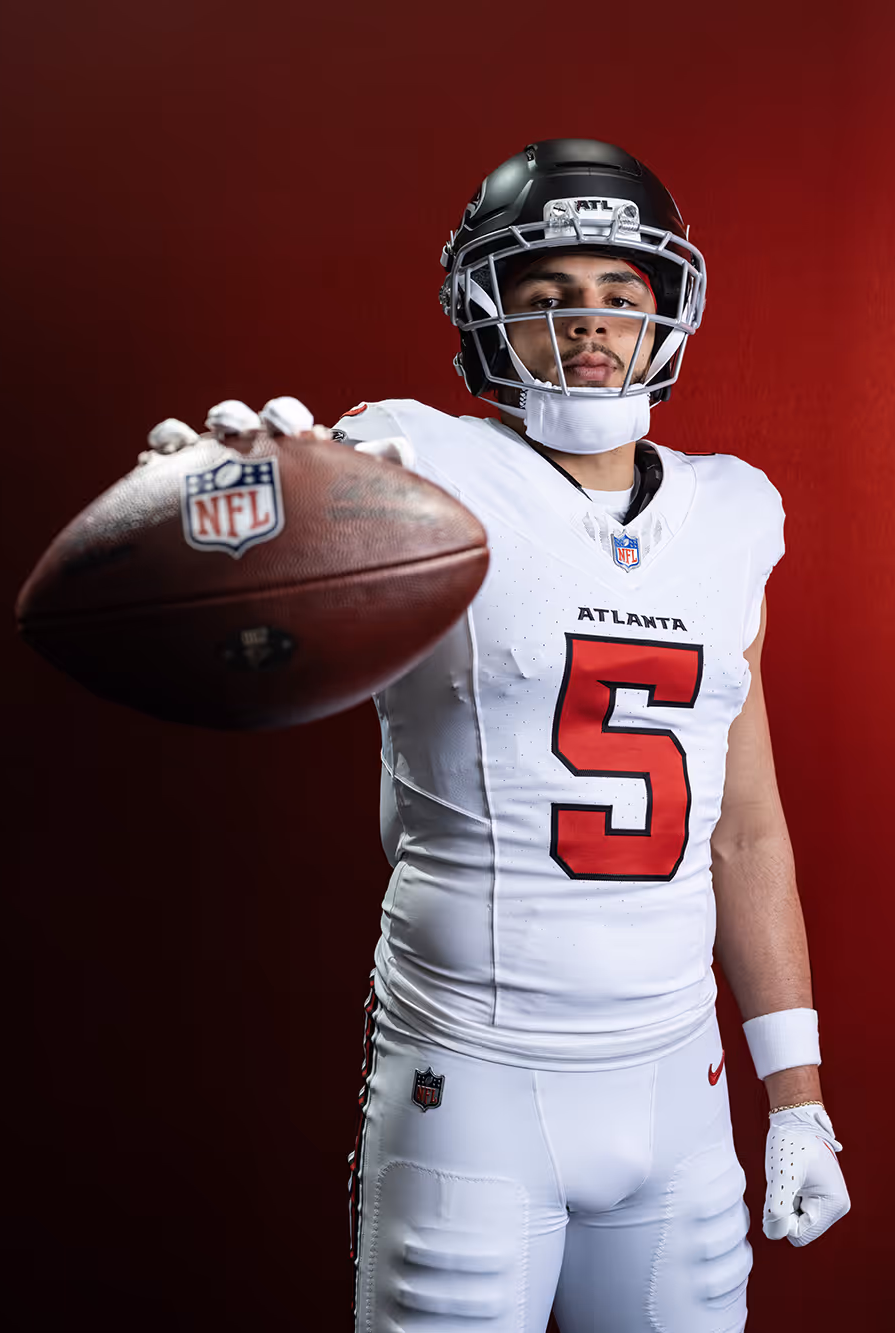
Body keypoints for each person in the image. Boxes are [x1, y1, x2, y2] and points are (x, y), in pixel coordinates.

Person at [153, 138, 850, 1332]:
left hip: (676, 1081)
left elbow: (744, 829)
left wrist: (796, 1095)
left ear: (663, 310)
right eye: (547, 296)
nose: (591, 327)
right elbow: (266, 572)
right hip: (468, 1075)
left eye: (619, 296)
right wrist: (207, 522)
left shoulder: (733, 513)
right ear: (487, 313)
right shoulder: (421, 466)